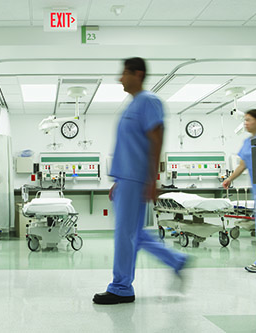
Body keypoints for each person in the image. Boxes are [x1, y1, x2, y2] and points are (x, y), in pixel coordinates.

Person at [93, 57, 188, 305]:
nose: (120, 78)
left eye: (124, 73)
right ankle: (176, 260)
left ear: (138, 74)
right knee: (135, 233)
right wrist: (118, 181)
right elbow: (129, 148)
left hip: (137, 179)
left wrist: (151, 179)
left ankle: (121, 287)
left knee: (125, 234)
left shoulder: (149, 102)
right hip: (127, 179)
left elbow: (156, 139)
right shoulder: (131, 106)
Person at [222, 109, 256, 273]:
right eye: (244, 120)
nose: (245, 123)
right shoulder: (247, 142)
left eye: (249, 120)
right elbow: (242, 165)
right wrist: (230, 179)